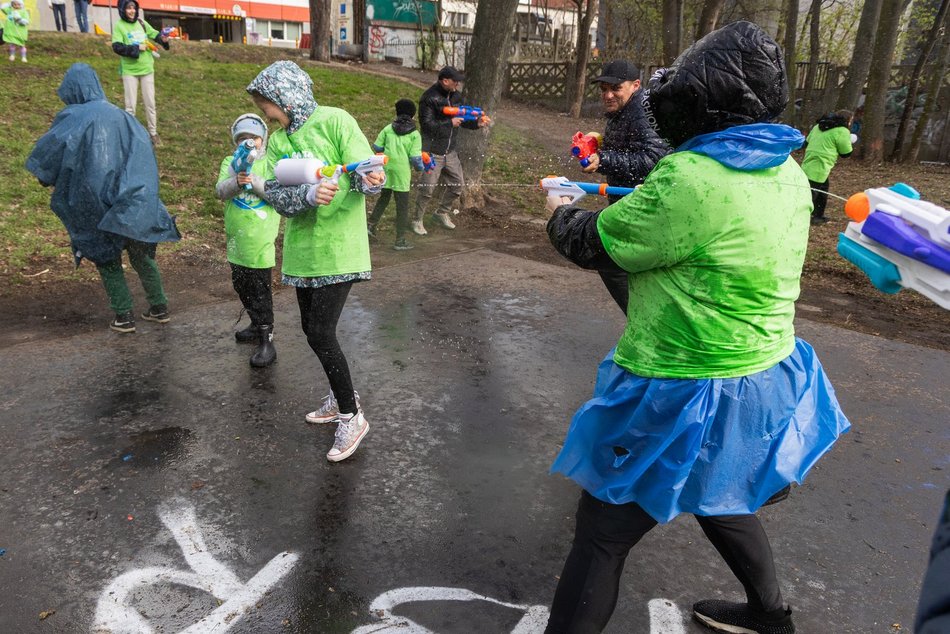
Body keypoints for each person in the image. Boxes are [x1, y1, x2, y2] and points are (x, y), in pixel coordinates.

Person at [543, 22, 851, 634]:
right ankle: (770, 617)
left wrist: (558, 211)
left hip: (680, 385)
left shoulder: (691, 179)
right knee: (725, 495)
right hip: (763, 378)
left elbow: (597, 242)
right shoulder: (788, 172)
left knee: (604, 533)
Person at [247, 61, 385, 462]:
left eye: (268, 105)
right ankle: (340, 395)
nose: (267, 114)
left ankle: (351, 415)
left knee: (322, 332)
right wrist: (306, 196)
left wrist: (369, 179)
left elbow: (363, 171)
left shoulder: (336, 120)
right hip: (303, 251)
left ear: (286, 96)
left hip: (339, 248)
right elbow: (275, 192)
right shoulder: (277, 141)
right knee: (311, 330)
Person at [26, 64, 180, 333]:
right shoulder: (125, 117)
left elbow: (51, 155)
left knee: (106, 258)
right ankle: (159, 307)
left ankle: (123, 316)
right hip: (134, 199)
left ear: (72, 89)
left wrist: (46, 176)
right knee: (142, 255)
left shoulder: (72, 117)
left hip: (93, 201)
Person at [582, 59, 670, 314]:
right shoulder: (622, 110)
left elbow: (653, 160)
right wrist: (597, 144)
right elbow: (629, 148)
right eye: (604, 89)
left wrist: (604, 159)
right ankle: (647, 324)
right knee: (626, 267)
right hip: (629, 205)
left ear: (635, 85)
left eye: (616, 88)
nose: (608, 95)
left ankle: (645, 325)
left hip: (645, 208)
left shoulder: (643, 112)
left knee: (608, 257)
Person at [214, 113, 281, 367]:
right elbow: (220, 191)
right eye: (242, 138)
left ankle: (267, 339)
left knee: (260, 290)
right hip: (236, 241)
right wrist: (236, 182)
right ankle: (255, 323)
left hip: (260, 242)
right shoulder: (229, 163)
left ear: (262, 139)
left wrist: (253, 182)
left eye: (253, 138)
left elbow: (276, 194)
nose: (248, 143)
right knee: (240, 284)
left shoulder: (270, 164)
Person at [412, 65, 489, 236]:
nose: (457, 85)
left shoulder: (456, 97)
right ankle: (417, 220)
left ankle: (441, 213)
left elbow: (461, 120)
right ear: (445, 81)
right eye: (455, 82)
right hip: (432, 152)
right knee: (427, 189)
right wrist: (449, 123)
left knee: (457, 186)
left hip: (450, 152)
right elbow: (427, 125)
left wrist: (476, 124)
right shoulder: (429, 98)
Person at [368, 98, 429, 251]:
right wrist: (421, 168)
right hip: (402, 174)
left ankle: (371, 226)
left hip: (386, 170)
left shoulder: (388, 128)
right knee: (402, 206)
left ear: (397, 113)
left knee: (383, 199)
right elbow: (415, 158)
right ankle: (400, 239)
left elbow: (377, 146)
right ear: (413, 116)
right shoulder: (414, 134)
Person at [111, 0, 170, 146]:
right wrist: (137, 49)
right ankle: (129, 135)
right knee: (130, 106)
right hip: (130, 71)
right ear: (122, 10)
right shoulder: (119, 26)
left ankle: (153, 134)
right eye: (128, 8)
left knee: (150, 103)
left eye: (133, 8)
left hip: (147, 69)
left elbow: (154, 34)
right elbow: (117, 47)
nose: (131, 11)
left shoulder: (141, 22)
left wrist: (163, 39)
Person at [801, 110, 854, 225]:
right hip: (821, 166)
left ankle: (818, 216)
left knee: (822, 190)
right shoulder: (842, 131)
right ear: (848, 120)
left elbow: (806, 142)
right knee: (812, 193)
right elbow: (846, 153)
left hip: (808, 163)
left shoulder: (817, 126)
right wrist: (850, 141)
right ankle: (801, 217)